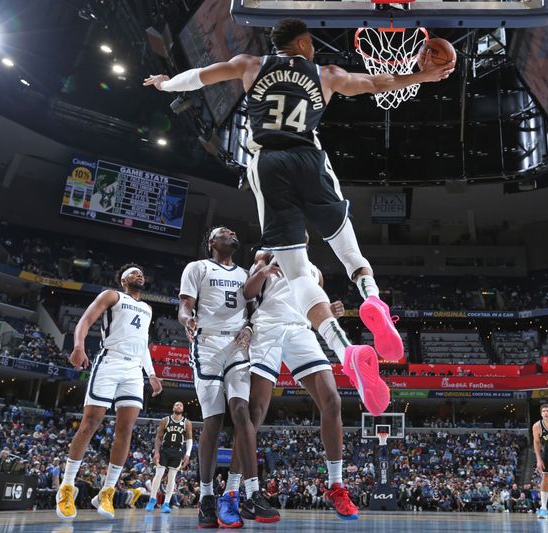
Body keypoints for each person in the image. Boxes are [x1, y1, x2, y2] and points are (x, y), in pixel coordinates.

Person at [144, 18, 453, 417]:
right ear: (305, 43)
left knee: (298, 276)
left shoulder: (249, 64)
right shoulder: (326, 73)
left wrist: (166, 83)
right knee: (346, 247)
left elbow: (199, 78)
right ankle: (372, 297)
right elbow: (377, 83)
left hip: (268, 162)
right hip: (309, 156)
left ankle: (346, 351)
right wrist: (421, 76)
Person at [241, 246, 358, 519]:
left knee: (332, 400)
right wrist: (264, 269)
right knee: (255, 411)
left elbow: (314, 308)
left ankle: (336, 486)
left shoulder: (315, 271)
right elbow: (248, 293)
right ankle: (239, 491)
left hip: (300, 331)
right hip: (267, 328)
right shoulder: (267, 255)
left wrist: (331, 311)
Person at [178, 227, 279, 528]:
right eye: (224, 232)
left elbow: (252, 310)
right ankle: (207, 497)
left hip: (237, 344)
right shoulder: (197, 267)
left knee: (241, 411)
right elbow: (185, 305)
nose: (232, 233)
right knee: (214, 419)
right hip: (207, 342)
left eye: (234, 232)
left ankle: (252, 492)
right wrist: (187, 319)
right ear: (211, 242)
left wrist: (249, 328)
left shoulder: (246, 273)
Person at [55, 264, 163, 520]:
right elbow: (86, 320)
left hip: (134, 369)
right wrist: (78, 346)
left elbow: (143, 344)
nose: (140, 274)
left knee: (125, 430)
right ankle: (66, 487)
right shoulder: (112, 295)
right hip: (110, 361)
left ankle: (107, 491)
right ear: (123, 280)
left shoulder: (147, 308)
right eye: (134, 272)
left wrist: (152, 373)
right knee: (90, 423)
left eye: (142, 272)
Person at [146, 401, 193, 513]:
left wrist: (188, 454)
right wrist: (156, 452)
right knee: (158, 475)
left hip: (177, 452)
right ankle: (152, 500)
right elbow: (158, 437)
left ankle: (166, 503)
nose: (179, 406)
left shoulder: (187, 422)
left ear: (183, 409)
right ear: (173, 407)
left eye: (181, 405)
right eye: (177, 404)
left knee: (172, 478)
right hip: (165, 450)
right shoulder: (165, 420)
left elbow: (189, 439)